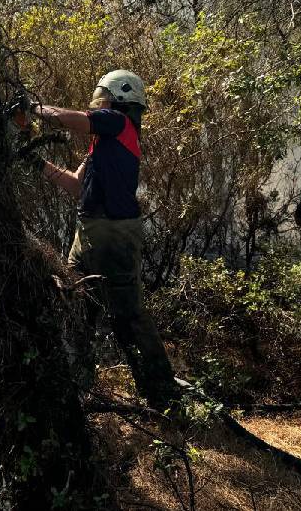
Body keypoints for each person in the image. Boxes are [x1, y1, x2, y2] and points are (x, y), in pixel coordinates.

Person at [13, 70, 180, 410]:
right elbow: (76, 185)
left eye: (103, 100)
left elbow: (71, 119)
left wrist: (34, 107)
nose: (99, 105)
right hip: (88, 231)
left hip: (114, 234)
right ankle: (82, 387)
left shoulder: (119, 124)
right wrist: (35, 160)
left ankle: (164, 397)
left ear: (119, 99)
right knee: (75, 304)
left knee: (127, 316)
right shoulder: (103, 145)